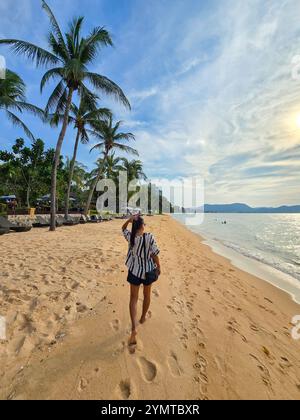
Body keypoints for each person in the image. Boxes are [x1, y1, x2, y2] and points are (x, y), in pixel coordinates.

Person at [122, 215, 161, 346]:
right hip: (148, 271)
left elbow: (123, 229)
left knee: (133, 298)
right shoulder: (149, 237)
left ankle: (133, 327)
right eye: (144, 224)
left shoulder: (131, 237)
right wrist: (159, 267)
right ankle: (143, 317)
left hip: (134, 271)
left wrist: (129, 220)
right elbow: (155, 253)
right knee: (147, 295)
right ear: (142, 226)